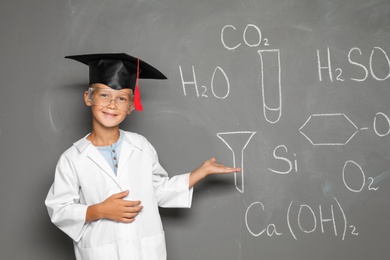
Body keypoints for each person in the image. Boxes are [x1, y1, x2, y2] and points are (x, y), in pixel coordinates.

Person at [45, 53, 241, 260]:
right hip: (102, 252)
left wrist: (200, 173)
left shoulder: (141, 146)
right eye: (104, 95)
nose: (112, 104)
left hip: (145, 251)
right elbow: (59, 209)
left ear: (130, 106)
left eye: (121, 98)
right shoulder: (72, 158)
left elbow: (159, 191)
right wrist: (99, 211)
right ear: (88, 98)